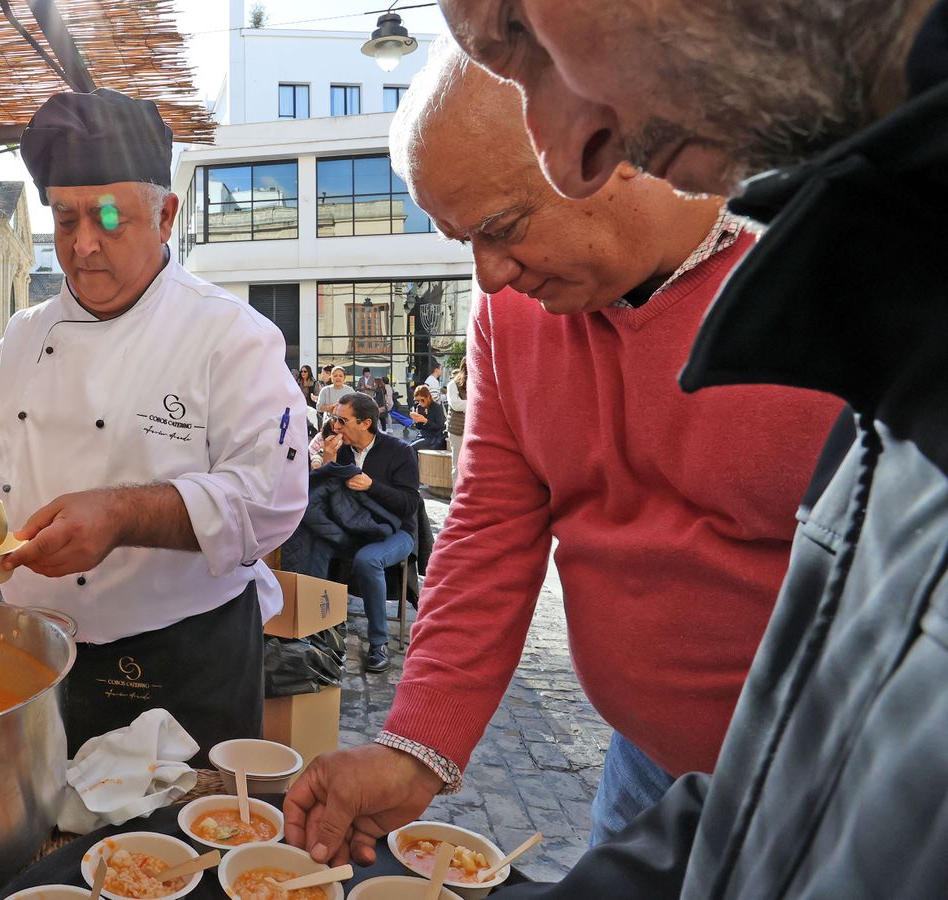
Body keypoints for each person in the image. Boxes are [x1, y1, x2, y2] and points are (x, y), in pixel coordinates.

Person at [284, 42, 844, 867]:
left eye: (501, 228)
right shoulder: (511, 312)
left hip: (840, 790)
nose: (491, 275)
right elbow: (489, 527)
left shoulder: (826, 268)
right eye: (461, 240)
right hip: (646, 765)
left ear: (610, 145)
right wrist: (417, 747)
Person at [0, 88, 307, 762]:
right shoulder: (30, 328)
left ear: (166, 214)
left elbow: (273, 497)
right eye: (65, 219)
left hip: (180, 658)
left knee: (171, 854)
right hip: (35, 643)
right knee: (48, 840)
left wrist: (122, 516)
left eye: (110, 216)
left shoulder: (232, 335)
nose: (83, 245)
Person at [326, 393, 423, 673]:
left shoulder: (400, 451)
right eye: (334, 419)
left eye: (342, 420)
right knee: (311, 543)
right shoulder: (342, 450)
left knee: (368, 560)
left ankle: (378, 642)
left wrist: (372, 486)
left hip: (397, 532)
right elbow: (331, 497)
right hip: (355, 528)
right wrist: (329, 461)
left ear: (366, 422)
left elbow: (409, 505)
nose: (336, 426)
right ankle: (321, 628)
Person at [445, 359, 467, 484]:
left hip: (474, 428)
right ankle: (456, 496)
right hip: (458, 430)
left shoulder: (477, 383)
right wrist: (474, 402)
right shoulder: (453, 384)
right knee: (458, 465)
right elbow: (456, 405)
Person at [407, 384, 446, 451]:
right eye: (417, 400)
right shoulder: (419, 407)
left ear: (428, 397)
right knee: (406, 447)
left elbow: (440, 427)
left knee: (411, 448)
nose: (420, 402)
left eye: (422, 400)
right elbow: (419, 427)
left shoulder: (436, 407)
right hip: (423, 435)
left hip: (434, 437)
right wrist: (416, 421)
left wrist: (425, 421)